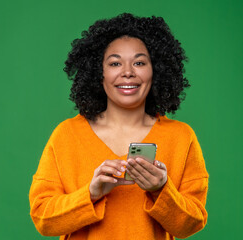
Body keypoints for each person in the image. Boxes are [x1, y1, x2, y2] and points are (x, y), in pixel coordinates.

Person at [29, 13, 209, 240]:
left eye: (140, 62)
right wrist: (91, 194)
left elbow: (192, 224)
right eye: (115, 63)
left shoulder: (181, 137)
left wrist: (161, 190)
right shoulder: (66, 135)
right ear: (98, 72)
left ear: (156, 71)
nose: (128, 72)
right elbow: (43, 220)